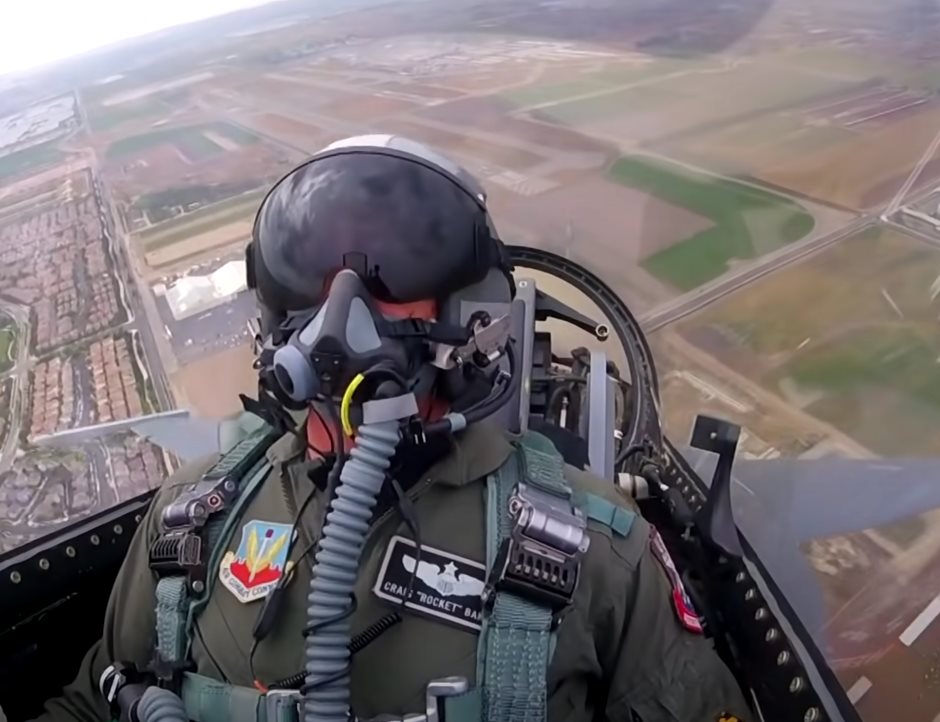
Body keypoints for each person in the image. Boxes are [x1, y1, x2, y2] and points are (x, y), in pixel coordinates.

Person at [34, 136, 754, 722]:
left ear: (471, 311)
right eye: (310, 268)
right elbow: (98, 698)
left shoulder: (598, 552)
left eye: (394, 269)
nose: (342, 303)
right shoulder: (190, 516)